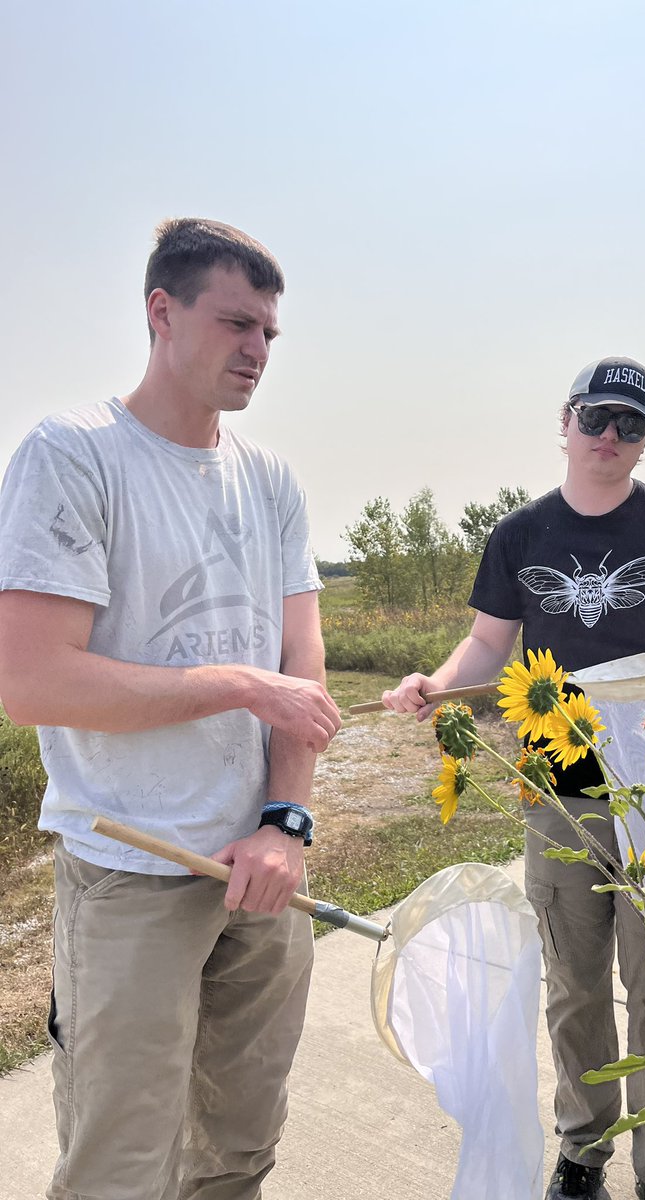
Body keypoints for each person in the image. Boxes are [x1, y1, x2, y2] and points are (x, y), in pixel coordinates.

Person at [0, 218, 343, 1200]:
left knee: (238, 1151)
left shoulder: (271, 481)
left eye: (270, 333)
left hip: (261, 872)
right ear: (162, 311)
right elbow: (34, 681)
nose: (257, 352)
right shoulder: (73, 457)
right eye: (237, 323)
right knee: (120, 1166)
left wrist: (285, 823)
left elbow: (302, 661)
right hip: (130, 871)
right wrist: (238, 683)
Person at [382, 356, 645, 1200]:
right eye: (597, 418)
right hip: (560, 788)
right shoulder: (522, 535)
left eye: (631, 426)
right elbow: (489, 645)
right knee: (575, 987)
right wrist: (437, 685)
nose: (609, 438)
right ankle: (584, 1153)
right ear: (565, 420)